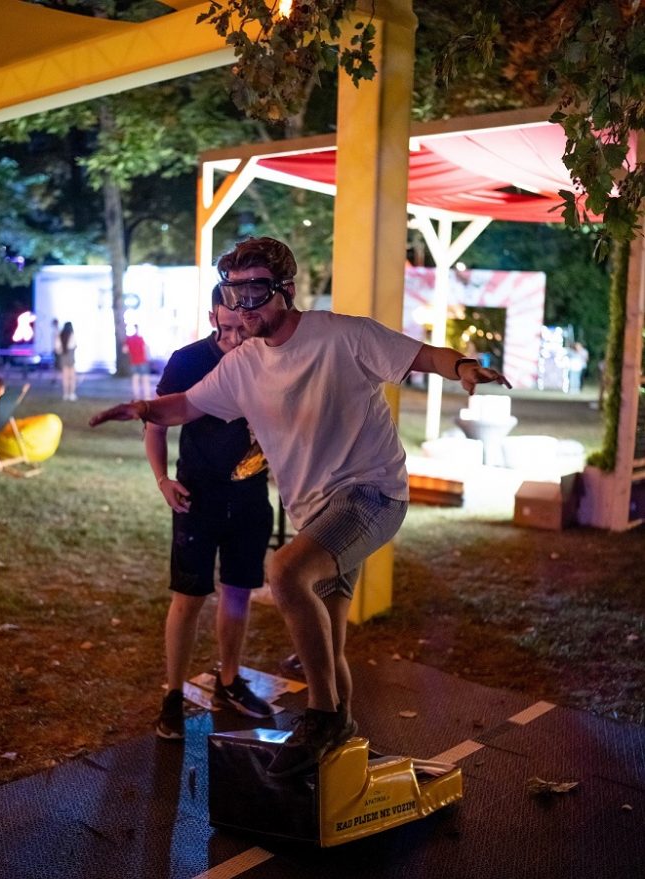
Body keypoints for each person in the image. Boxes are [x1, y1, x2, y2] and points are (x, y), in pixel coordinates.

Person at [91, 236, 511, 777]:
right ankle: (341, 737)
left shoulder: (341, 335)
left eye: (257, 292)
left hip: (372, 494)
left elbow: (420, 355)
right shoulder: (243, 365)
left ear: (286, 290)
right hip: (317, 512)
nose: (245, 306)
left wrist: (464, 367)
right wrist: (144, 407)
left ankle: (321, 717)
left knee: (285, 570)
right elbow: (188, 405)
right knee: (329, 647)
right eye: (234, 293)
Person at [145, 286, 275, 739]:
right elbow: (156, 426)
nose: (236, 337)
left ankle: (229, 681)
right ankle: (173, 697)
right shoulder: (188, 360)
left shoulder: (268, 357)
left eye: (244, 327)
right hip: (196, 495)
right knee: (189, 597)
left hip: (251, 496)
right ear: (212, 316)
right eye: (226, 327)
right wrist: (163, 480)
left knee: (238, 592)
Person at [123, 325, 152, 401]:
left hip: (133, 362)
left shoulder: (128, 339)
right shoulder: (140, 338)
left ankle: (136, 397)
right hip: (143, 361)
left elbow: (124, 350)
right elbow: (145, 348)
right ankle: (147, 397)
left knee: (135, 380)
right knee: (145, 379)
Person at [57, 321, 77, 401]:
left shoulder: (60, 335)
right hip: (70, 357)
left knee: (65, 377)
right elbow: (75, 345)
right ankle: (71, 394)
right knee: (72, 377)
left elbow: (57, 348)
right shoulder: (72, 335)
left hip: (63, 357)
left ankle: (65, 394)